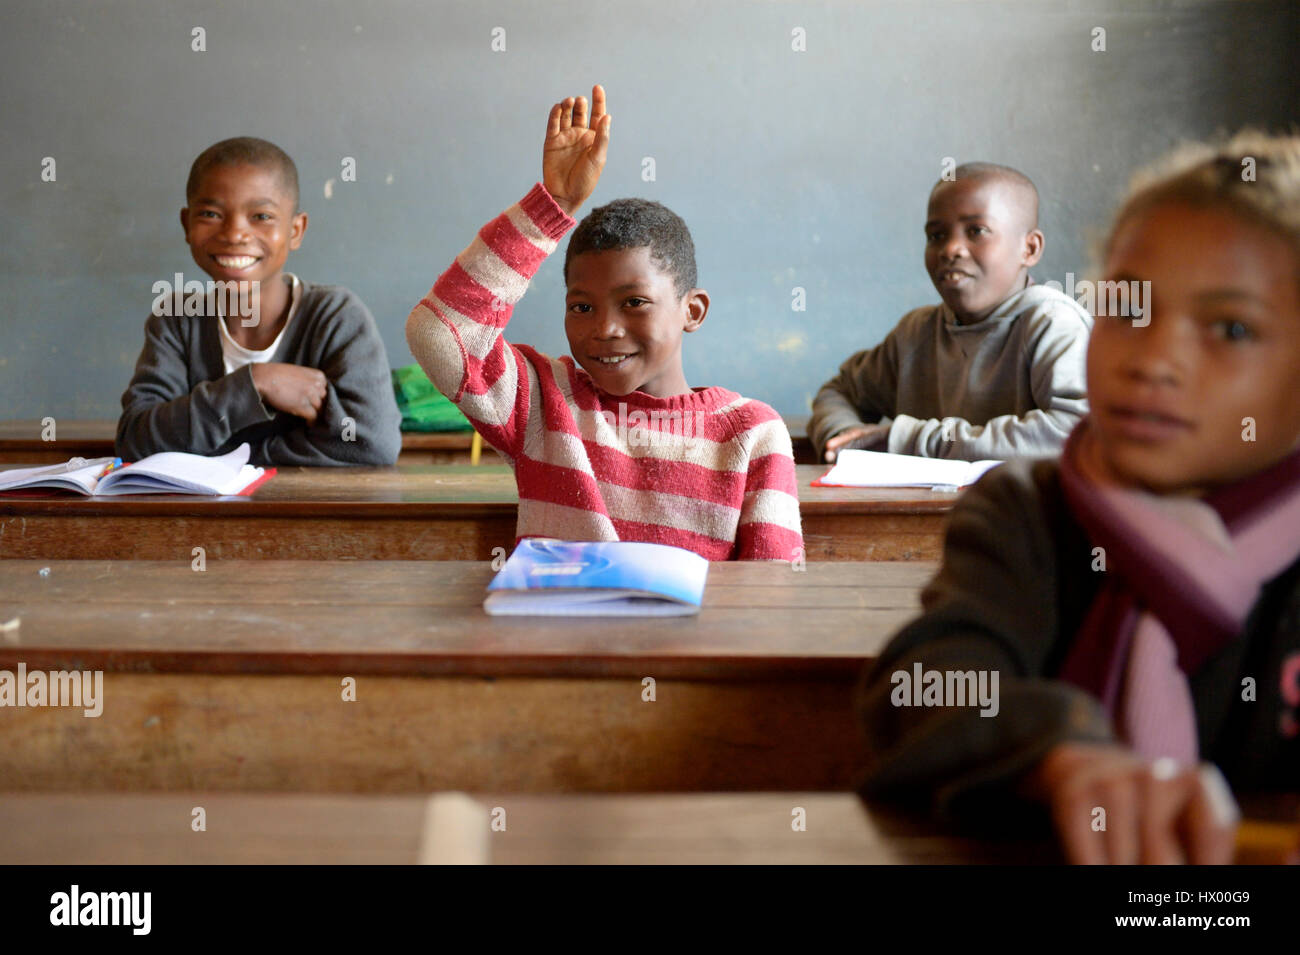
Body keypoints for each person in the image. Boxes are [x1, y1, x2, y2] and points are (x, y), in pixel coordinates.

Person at [857, 131, 1300, 864]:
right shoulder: (1029, 511)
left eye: (1230, 328)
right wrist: (1056, 749)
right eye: (1129, 309)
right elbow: (923, 682)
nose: (1154, 358)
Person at [405, 86, 802, 560]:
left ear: (692, 311)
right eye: (582, 307)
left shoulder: (752, 434)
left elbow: (770, 598)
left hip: (687, 637)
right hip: (557, 635)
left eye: (634, 302)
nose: (604, 329)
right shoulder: (544, 407)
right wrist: (550, 207)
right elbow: (438, 331)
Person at [117, 137, 401, 466]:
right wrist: (255, 382)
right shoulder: (177, 320)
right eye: (210, 213)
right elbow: (135, 441)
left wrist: (225, 456)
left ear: (296, 230)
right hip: (194, 518)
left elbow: (370, 444)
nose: (235, 233)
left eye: (261, 216)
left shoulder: (336, 317)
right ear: (186, 224)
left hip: (309, 516)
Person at [809, 163, 1091, 462]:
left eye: (977, 231)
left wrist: (909, 440)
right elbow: (838, 392)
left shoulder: (1052, 324)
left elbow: (1077, 433)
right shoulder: (916, 333)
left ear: (1029, 248)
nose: (951, 249)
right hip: (920, 511)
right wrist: (846, 440)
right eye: (936, 235)